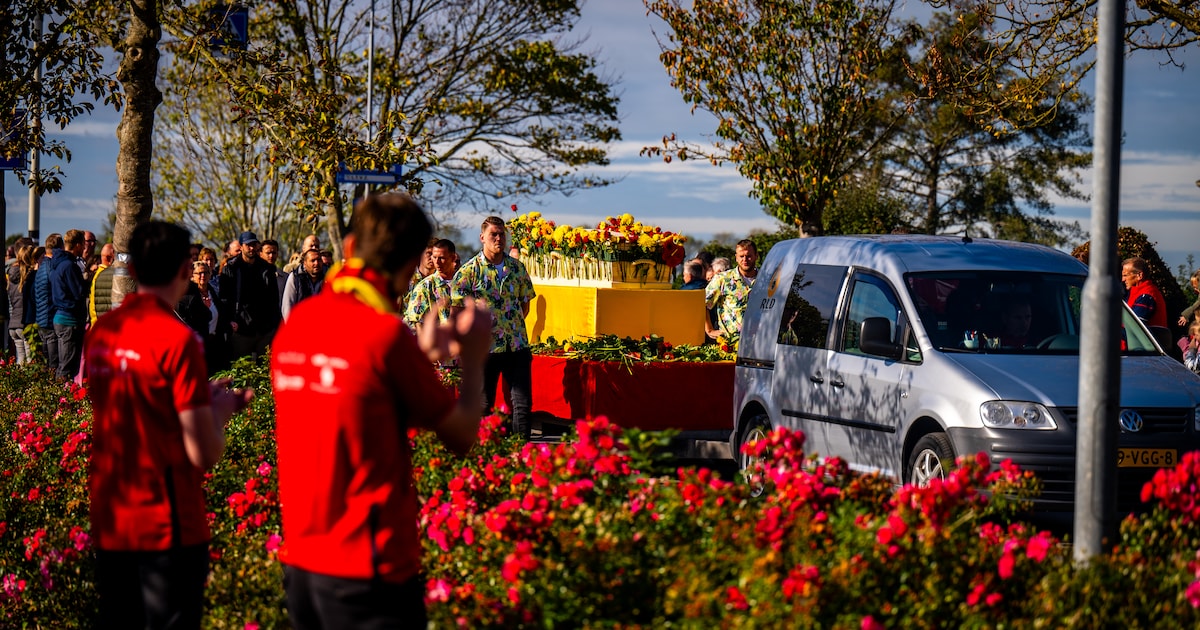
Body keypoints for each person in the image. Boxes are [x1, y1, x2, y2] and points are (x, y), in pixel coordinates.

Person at [271, 192, 490, 628]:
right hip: (369, 569)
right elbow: (462, 434)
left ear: (349, 249)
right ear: (411, 267)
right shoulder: (386, 337)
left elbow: (358, 402)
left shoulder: (300, 325)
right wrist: (474, 358)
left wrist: (418, 356)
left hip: (301, 562)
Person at [85, 220, 252, 629]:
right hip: (166, 522)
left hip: (111, 515)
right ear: (184, 269)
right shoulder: (179, 342)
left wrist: (200, 400)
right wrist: (220, 411)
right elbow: (204, 450)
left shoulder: (103, 333)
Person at [451, 216, 537, 438]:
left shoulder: (516, 268)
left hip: (516, 346)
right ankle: (488, 455)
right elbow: (457, 313)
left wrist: (508, 325)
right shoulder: (468, 272)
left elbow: (524, 304)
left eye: (501, 234)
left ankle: (522, 453)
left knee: (522, 404)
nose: (499, 238)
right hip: (484, 350)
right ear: (482, 238)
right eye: (493, 234)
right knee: (484, 405)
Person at [217, 231, 282, 363]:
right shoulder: (231, 268)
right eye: (248, 245)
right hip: (241, 329)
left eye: (254, 244)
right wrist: (230, 321)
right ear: (241, 246)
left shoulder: (267, 268)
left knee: (263, 372)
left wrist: (273, 324)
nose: (251, 248)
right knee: (241, 372)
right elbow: (224, 298)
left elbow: (274, 299)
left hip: (264, 329)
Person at [51, 229, 90, 380]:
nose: (84, 249)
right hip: (69, 319)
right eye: (83, 245)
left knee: (65, 363)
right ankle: (62, 399)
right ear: (78, 245)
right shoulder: (69, 266)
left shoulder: (58, 263)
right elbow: (78, 292)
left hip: (60, 317)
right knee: (67, 366)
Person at [705, 240, 758, 345]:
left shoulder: (766, 280)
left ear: (756, 256)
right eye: (741, 256)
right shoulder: (723, 279)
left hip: (759, 342)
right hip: (730, 344)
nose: (745, 260)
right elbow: (702, 304)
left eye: (748, 256)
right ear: (736, 257)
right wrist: (709, 329)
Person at [178, 260, 224, 374]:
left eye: (206, 273)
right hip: (196, 346)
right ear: (192, 276)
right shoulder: (186, 296)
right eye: (199, 273)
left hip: (214, 343)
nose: (203, 276)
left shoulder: (214, 292)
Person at [404, 239, 458, 330]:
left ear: (453, 258)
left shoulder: (463, 283)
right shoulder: (425, 286)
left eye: (442, 258)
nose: (437, 262)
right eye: (434, 257)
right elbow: (417, 323)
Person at [1122, 256, 1170, 349]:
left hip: (1141, 353)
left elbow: (1134, 329)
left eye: (1125, 275)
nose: (1123, 279)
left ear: (1139, 275)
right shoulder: (1135, 292)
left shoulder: (1146, 296)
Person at [34, 233, 63, 370]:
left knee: (46, 364)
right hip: (50, 318)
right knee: (53, 364)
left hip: (41, 319)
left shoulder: (41, 267)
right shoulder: (52, 267)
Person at [281, 248, 325, 321]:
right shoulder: (295, 278)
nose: (316, 263)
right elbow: (287, 307)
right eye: (313, 260)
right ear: (305, 263)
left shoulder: (328, 278)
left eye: (319, 260)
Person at [90, 244, 117, 325]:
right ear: (110, 257)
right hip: (109, 323)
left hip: (97, 324)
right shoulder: (113, 275)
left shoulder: (97, 274)